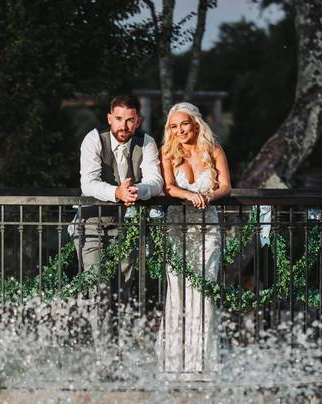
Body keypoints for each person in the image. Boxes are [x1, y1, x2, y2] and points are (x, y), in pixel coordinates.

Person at [157, 102, 231, 375]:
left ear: (196, 124)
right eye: (173, 126)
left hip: (207, 229)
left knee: (203, 294)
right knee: (177, 293)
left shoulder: (213, 150)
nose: (179, 130)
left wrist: (208, 197)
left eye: (183, 124)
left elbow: (226, 186)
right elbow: (167, 187)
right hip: (177, 229)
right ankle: (174, 364)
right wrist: (188, 195)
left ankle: (201, 364)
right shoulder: (167, 152)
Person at [77, 94, 163, 304]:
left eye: (130, 120)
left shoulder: (147, 142)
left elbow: (156, 181)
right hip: (92, 225)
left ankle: (118, 337)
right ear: (109, 118)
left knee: (122, 291)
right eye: (118, 119)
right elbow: (88, 183)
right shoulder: (94, 139)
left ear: (138, 121)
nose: (123, 126)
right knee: (98, 288)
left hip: (127, 226)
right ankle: (99, 336)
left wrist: (136, 190)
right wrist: (117, 193)